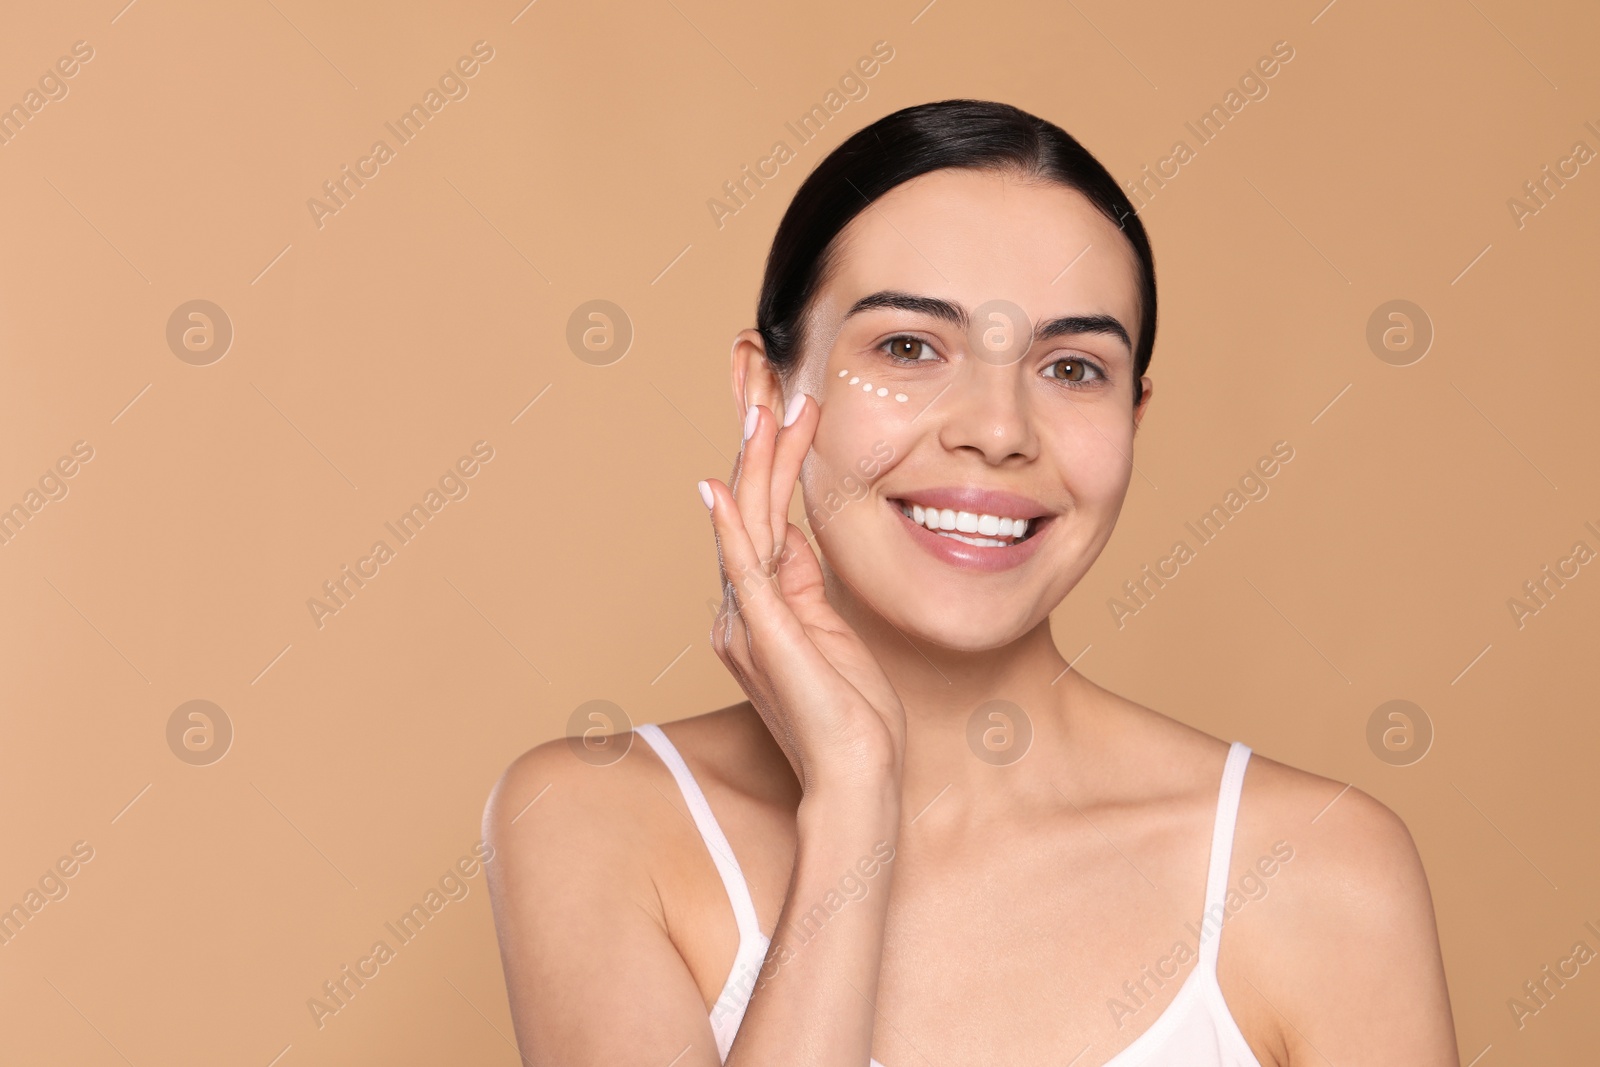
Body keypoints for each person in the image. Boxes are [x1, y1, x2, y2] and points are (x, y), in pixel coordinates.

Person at [482, 99, 1458, 1066]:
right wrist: (853, 794)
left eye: (1072, 367)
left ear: (1134, 416)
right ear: (767, 392)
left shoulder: (1317, 868)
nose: (997, 429)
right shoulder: (594, 821)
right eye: (907, 347)